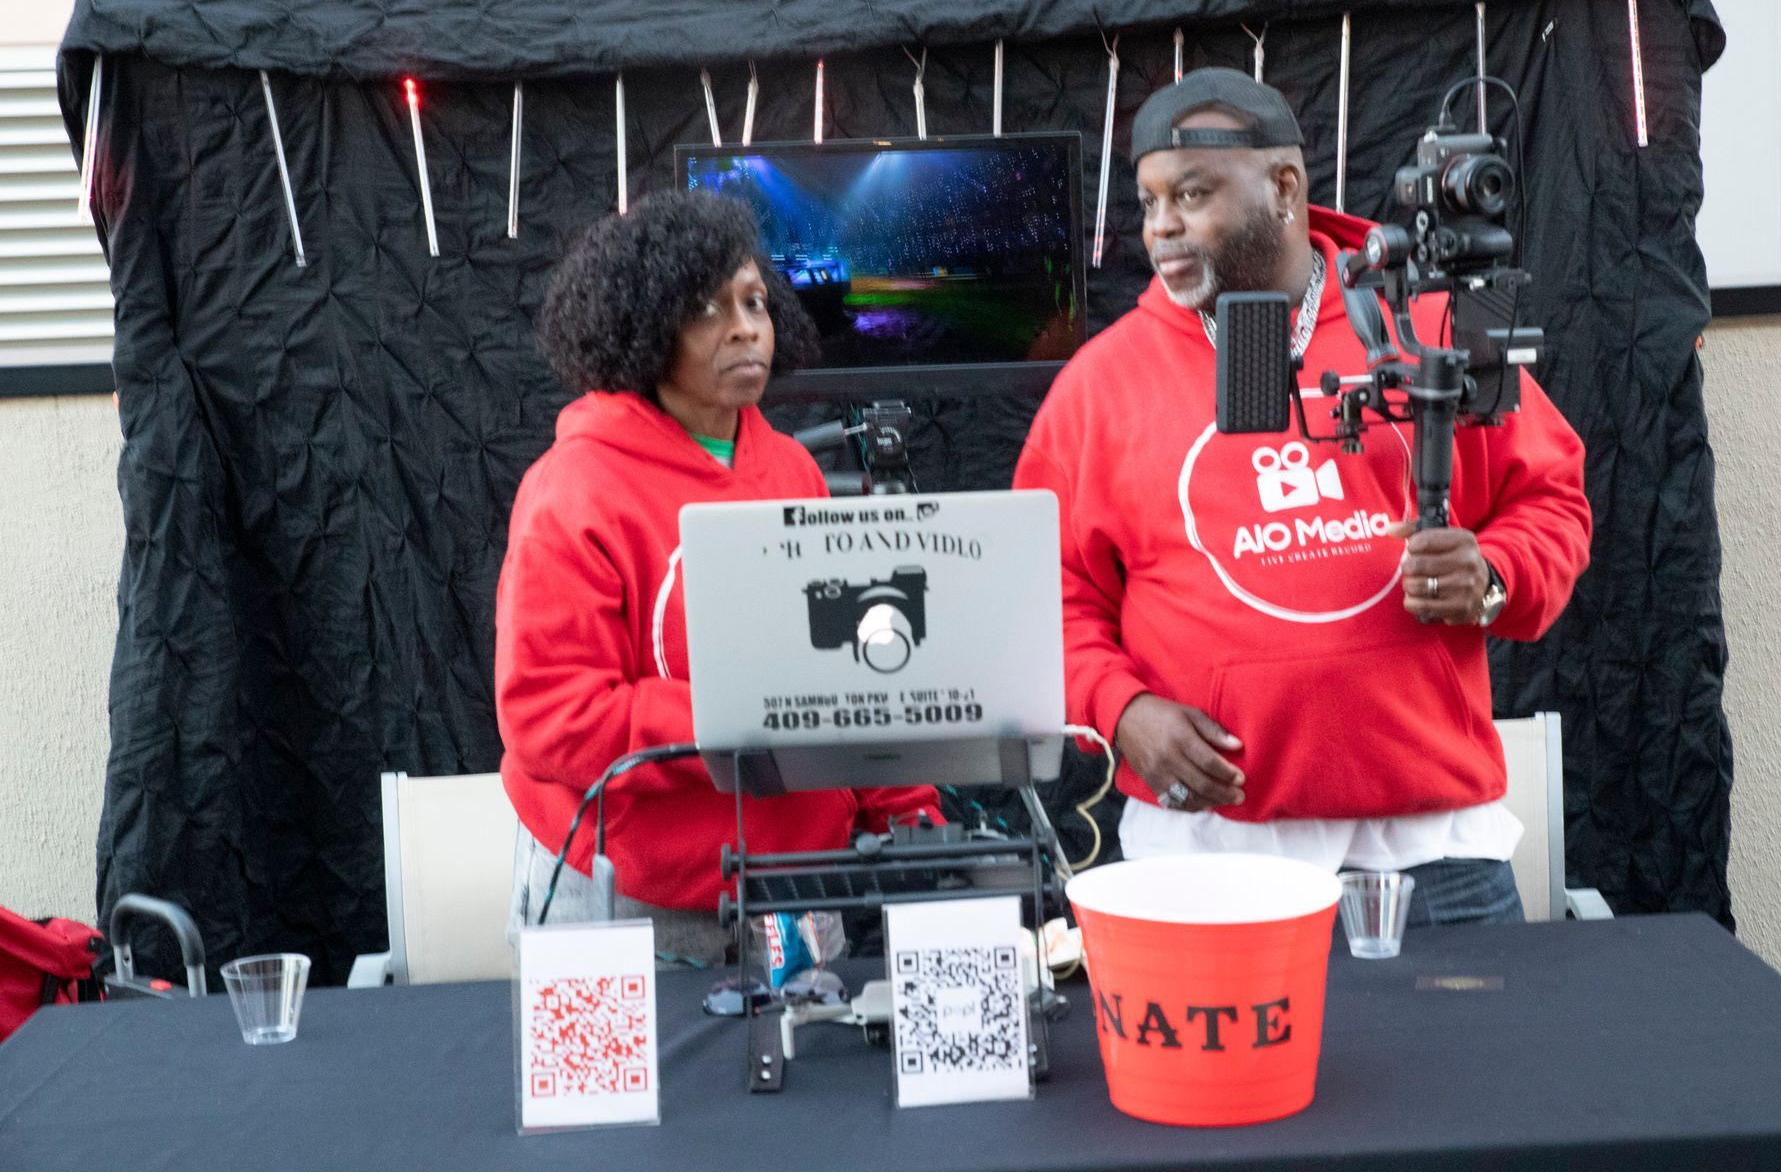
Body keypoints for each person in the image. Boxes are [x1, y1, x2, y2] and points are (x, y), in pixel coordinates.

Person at [1013, 69, 1591, 926]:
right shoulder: (1101, 385)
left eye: (1193, 193)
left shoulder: (1430, 327)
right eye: (1147, 201)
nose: (1162, 226)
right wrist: (1119, 708)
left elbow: (1551, 502)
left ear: (1284, 186)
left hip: (1438, 855)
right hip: (1203, 857)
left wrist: (1495, 574)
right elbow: (1042, 590)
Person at [496, 190, 940, 962]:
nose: (744, 328)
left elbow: (850, 686)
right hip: (627, 901)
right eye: (707, 308)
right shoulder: (573, 491)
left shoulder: (794, 469)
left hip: (798, 890)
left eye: (754, 302)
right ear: (644, 331)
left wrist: (906, 812)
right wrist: (742, 715)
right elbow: (550, 719)